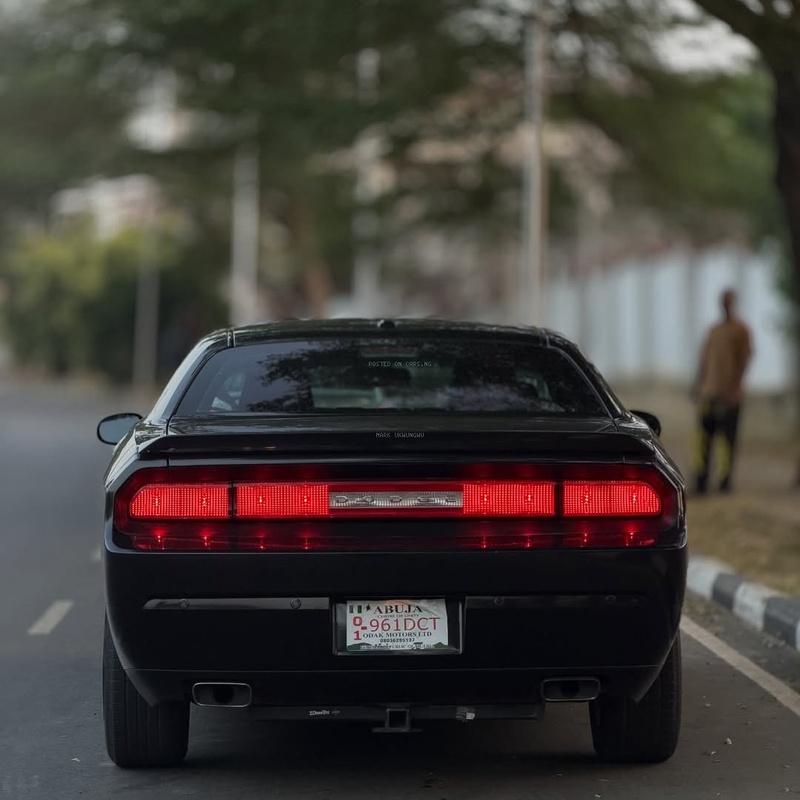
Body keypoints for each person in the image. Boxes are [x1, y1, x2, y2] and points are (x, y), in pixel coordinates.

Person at [691, 288, 753, 494]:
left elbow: (745, 361)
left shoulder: (741, 330)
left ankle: (725, 482)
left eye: (728, 302)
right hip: (710, 391)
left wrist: (736, 389)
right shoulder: (714, 330)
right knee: (703, 439)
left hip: (729, 394)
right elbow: (703, 360)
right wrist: (697, 386)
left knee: (726, 441)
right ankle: (701, 481)